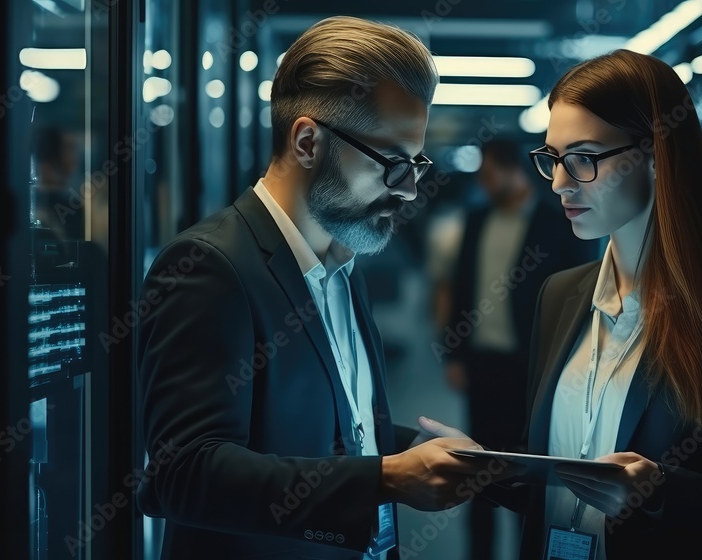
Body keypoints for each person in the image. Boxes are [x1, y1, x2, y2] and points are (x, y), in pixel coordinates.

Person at [135, 16, 490, 560]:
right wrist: (385, 477)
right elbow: (184, 473)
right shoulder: (208, 265)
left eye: (415, 163)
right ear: (307, 142)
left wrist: (408, 451)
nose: (411, 189)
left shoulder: (343, 264)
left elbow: (315, 433)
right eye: (393, 163)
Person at [457, 49, 702, 559]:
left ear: (655, 156)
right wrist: (473, 464)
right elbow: (549, 469)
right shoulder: (560, 295)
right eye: (552, 157)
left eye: (584, 158)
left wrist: (658, 490)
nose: (558, 182)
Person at [440, 138, 597, 560]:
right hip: (483, 365)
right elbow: (460, 289)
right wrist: (454, 353)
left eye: (491, 174)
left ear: (514, 170)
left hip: (533, 371)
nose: (485, 183)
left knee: (526, 475)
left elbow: (580, 298)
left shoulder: (558, 224)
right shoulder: (476, 220)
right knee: (477, 471)